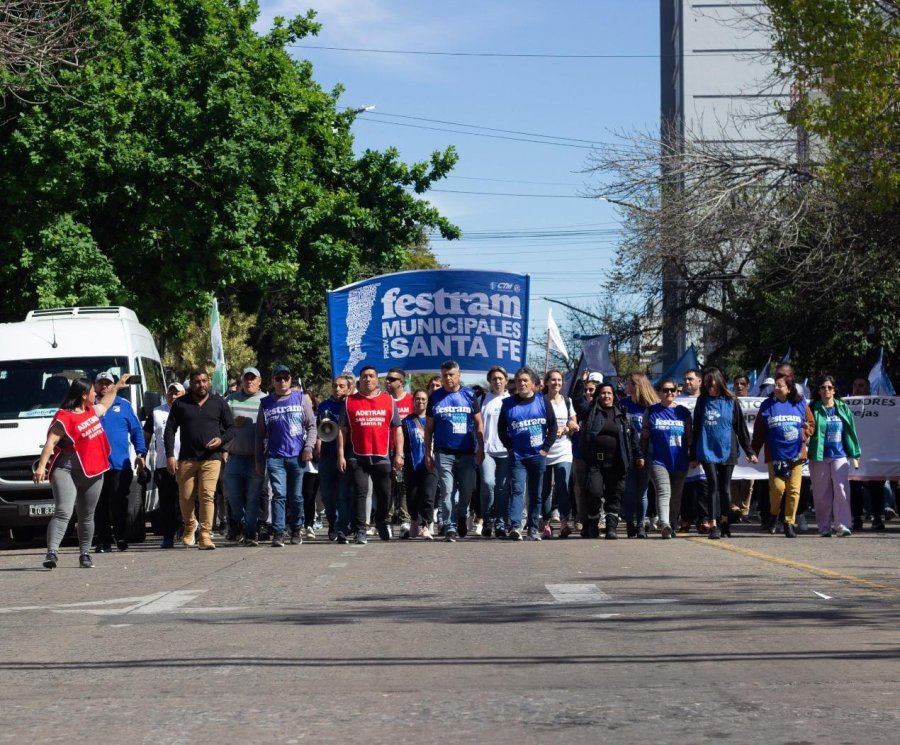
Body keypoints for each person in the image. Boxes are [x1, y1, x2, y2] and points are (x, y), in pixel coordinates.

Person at [34, 374, 131, 569]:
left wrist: (118, 386)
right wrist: (42, 466)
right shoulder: (65, 416)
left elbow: (105, 403)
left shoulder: (91, 411)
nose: (97, 393)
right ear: (84, 394)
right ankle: (52, 553)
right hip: (66, 470)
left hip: (93, 470)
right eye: (93, 391)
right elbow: (51, 442)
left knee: (87, 514)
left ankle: (85, 554)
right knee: (64, 511)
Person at [164, 368, 235, 550]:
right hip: (187, 458)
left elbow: (231, 429)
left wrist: (221, 440)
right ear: (191, 384)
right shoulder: (181, 404)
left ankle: (205, 535)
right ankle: (189, 528)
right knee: (185, 497)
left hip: (212, 458)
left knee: (206, 495)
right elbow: (170, 430)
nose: (201, 385)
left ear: (208, 381)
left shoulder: (218, 402)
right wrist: (170, 455)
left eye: (204, 381)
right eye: (197, 382)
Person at [689, 367, 757, 539]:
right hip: (706, 448)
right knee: (713, 486)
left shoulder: (731, 401)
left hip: (728, 450)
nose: (710, 388)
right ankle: (713, 525)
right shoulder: (702, 401)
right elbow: (696, 428)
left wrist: (750, 452)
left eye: (713, 384)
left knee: (725, 489)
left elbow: (741, 428)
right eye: (707, 384)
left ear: (719, 382)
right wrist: (693, 455)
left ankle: (725, 521)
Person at [337, 366, 403, 545]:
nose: (368, 379)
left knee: (385, 494)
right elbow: (342, 430)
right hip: (357, 456)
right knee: (360, 492)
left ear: (377, 380)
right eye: (364, 376)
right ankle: (360, 530)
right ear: (360, 380)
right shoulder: (349, 401)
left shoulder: (388, 401)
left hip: (382, 455)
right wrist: (341, 455)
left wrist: (399, 454)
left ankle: (381, 519)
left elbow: (397, 429)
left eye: (371, 376)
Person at [255, 365, 316, 546]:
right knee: (279, 495)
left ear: (291, 379)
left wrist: (309, 447)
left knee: (296, 496)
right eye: (278, 378)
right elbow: (259, 434)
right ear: (272, 381)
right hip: (274, 457)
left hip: (297, 456)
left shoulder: (301, 398)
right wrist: (259, 460)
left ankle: (296, 528)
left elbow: (312, 425)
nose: (282, 381)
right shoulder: (266, 403)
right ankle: (279, 532)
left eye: (285, 377)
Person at [424, 360, 485, 542]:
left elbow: (478, 423)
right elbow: (428, 428)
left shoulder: (469, 394)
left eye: (451, 374)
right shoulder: (435, 397)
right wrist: (428, 452)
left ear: (459, 375)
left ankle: (461, 514)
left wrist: (480, 448)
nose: (448, 378)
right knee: (447, 491)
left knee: (466, 491)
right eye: (445, 375)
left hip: (466, 452)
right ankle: (449, 526)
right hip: (444, 452)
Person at [750, 372, 815, 538]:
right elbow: (759, 431)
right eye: (775, 386)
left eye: (780, 386)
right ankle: (773, 515)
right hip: (775, 455)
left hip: (796, 455)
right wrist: (753, 452)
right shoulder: (767, 405)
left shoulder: (800, 404)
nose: (776, 388)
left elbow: (811, 424)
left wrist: (805, 433)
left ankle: (788, 523)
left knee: (794, 491)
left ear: (789, 388)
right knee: (778, 489)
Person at [497, 366, 557, 541]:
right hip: (517, 457)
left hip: (538, 456)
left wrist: (546, 448)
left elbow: (552, 427)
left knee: (536, 493)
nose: (522, 384)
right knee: (517, 490)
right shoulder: (508, 404)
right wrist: (509, 447)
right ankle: (516, 526)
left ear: (533, 384)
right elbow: (501, 429)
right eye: (519, 381)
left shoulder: (542, 401)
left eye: (525, 381)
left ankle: (532, 528)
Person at [578, 381, 642, 539]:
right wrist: (581, 382)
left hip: (616, 462)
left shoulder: (622, 414)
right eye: (603, 393)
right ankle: (592, 524)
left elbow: (633, 437)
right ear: (598, 396)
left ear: (614, 396)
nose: (606, 396)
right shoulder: (590, 411)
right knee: (594, 492)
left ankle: (611, 528)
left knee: (614, 494)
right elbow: (577, 401)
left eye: (609, 393)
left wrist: (639, 455)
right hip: (595, 462)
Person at [91, 371, 147, 553]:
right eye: (101, 383)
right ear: (95, 386)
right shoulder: (89, 407)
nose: (105, 386)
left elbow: (137, 431)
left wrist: (141, 453)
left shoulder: (124, 405)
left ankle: (121, 536)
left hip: (119, 465)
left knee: (119, 502)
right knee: (99, 504)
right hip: (96, 466)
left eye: (108, 383)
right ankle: (103, 540)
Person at [808, 375, 861, 537]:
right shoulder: (813, 408)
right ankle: (824, 526)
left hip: (840, 455)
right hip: (819, 456)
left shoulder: (842, 407)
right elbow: (807, 430)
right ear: (818, 391)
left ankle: (842, 525)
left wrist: (855, 453)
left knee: (842, 489)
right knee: (821, 493)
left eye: (829, 387)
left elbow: (851, 431)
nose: (826, 390)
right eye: (823, 387)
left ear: (834, 390)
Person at [641, 378, 692, 539]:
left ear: (677, 392)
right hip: (657, 460)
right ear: (659, 392)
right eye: (665, 390)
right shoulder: (651, 411)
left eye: (672, 390)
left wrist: (693, 456)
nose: (669, 393)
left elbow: (690, 437)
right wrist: (641, 455)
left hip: (679, 460)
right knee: (664, 491)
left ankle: (672, 523)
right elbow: (644, 436)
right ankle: (665, 524)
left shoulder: (683, 412)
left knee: (676, 496)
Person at [223, 367, 266, 543]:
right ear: (242, 381)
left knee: (253, 498)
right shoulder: (230, 400)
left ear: (259, 381)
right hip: (234, 457)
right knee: (233, 497)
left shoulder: (266, 401)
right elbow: (220, 424)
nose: (249, 382)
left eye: (253, 379)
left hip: (256, 458)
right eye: (246, 379)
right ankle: (240, 524)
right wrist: (232, 424)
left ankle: (250, 532)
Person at [143, 382, 185, 548]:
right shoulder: (156, 412)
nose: (173, 396)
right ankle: (168, 535)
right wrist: (142, 455)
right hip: (163, 464)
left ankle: (187, 530)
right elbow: (146, 435)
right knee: (167, 502)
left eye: (177, 393)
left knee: (186, 500)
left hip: (187, 463)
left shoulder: (190, 409)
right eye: (171, 393)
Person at [620, 372, 658, 538]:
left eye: (628, 382)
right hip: (627, 454)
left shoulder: (651, 406)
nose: (625, 385)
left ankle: (641, 525)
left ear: (636, 385)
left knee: (642, 491)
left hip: (646, 453)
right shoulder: (622, 404)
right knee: (629, 491)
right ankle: (630, 524)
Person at [541, 369, 578, 538]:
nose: (556, 383)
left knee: (563, 485)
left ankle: (564, 522)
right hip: (544, 450)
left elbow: (573, 423)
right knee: (545, 489)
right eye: (553, 380)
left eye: (559, 380)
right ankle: (546, 523)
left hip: (563, 450)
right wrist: (550, 430)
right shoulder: (540, 401)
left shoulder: (567, 401)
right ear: (547, 382)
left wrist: (568, 428)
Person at [316, 375, 353, 542]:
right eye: (335, 386)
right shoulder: (324, 406)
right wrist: (317, 443)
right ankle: (332, 521)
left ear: (348, 388)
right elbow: (318, 428)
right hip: (327, 455)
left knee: (344, 494)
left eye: (341, 386)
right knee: (327, 494)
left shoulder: (351, 404)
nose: (337, 389)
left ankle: (341, 526)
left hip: (347, 455)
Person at [478, 366, 511, 538]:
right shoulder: (483, 399)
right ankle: (487, 520)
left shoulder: (511, 400)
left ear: (506, 380)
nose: (497, 381)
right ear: (490, 381)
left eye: (500, 378)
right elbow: (476, 425)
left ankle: (500, 523)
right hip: (487, 450)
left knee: (503, 489)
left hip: (506, 451)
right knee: (489, 483)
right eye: (494, 379)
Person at [401, 389, 436, 540]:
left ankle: (426, 525)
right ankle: (414, 520)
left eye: (423, 399)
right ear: (413, 401)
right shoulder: (406, 422)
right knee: (413, 496)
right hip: (412, 463)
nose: (420, 402)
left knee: (428, 495)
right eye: (417, 399)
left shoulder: (434, 420)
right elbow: (402, 443)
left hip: (431, 463)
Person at [385, 368, 414, 537]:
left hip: (407, 450)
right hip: (387, 449)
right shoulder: (384, 400)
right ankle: (387, 520)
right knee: (388, 487)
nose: (387, 382)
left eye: (391, 379)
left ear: (401, 382)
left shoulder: (411, 400)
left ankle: (405, 520)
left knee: (403, 486)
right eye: (387, 379)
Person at [679, 368, 709, 533]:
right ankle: (686, 518)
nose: (687, 382)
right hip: (683, 449)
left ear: (700, 381)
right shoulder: (677, 401)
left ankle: (703, 519)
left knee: (703, 485)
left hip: (703, 448)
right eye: (685, 379)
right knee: (686, 487)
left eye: (690, 379)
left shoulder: (706, 400)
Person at [728, 374, 754, 520]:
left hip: (750, 446)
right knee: (733, 480)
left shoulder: (754, 401)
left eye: (742, 383)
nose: (739, 386)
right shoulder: (730, 401)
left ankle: (745, 511)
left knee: (749, 482)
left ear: (748, 386)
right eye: (736, 383)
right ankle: (734, 508)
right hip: (733, 446)